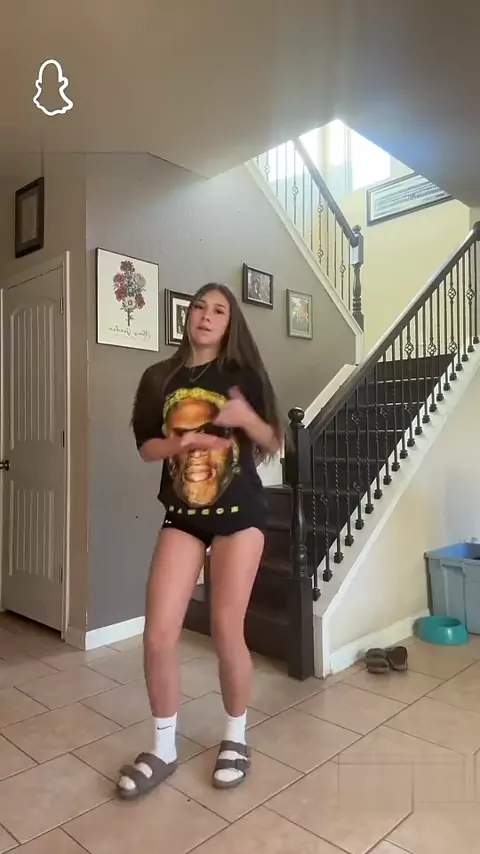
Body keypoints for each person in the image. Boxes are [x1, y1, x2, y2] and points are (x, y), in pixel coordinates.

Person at [117, 282, 283, 799]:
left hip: (239, 516)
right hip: (183, 515)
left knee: (225, 630)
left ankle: (236, 737)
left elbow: (275, 440)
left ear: (230, 324)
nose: (206, 316)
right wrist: (182, 441)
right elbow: (147, 446)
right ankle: (163, 747)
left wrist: (245, 418)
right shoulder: (159, 378)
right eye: (199, 307)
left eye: (219, 310)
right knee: (158, 635)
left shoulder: (243, 376)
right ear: (187, 316)